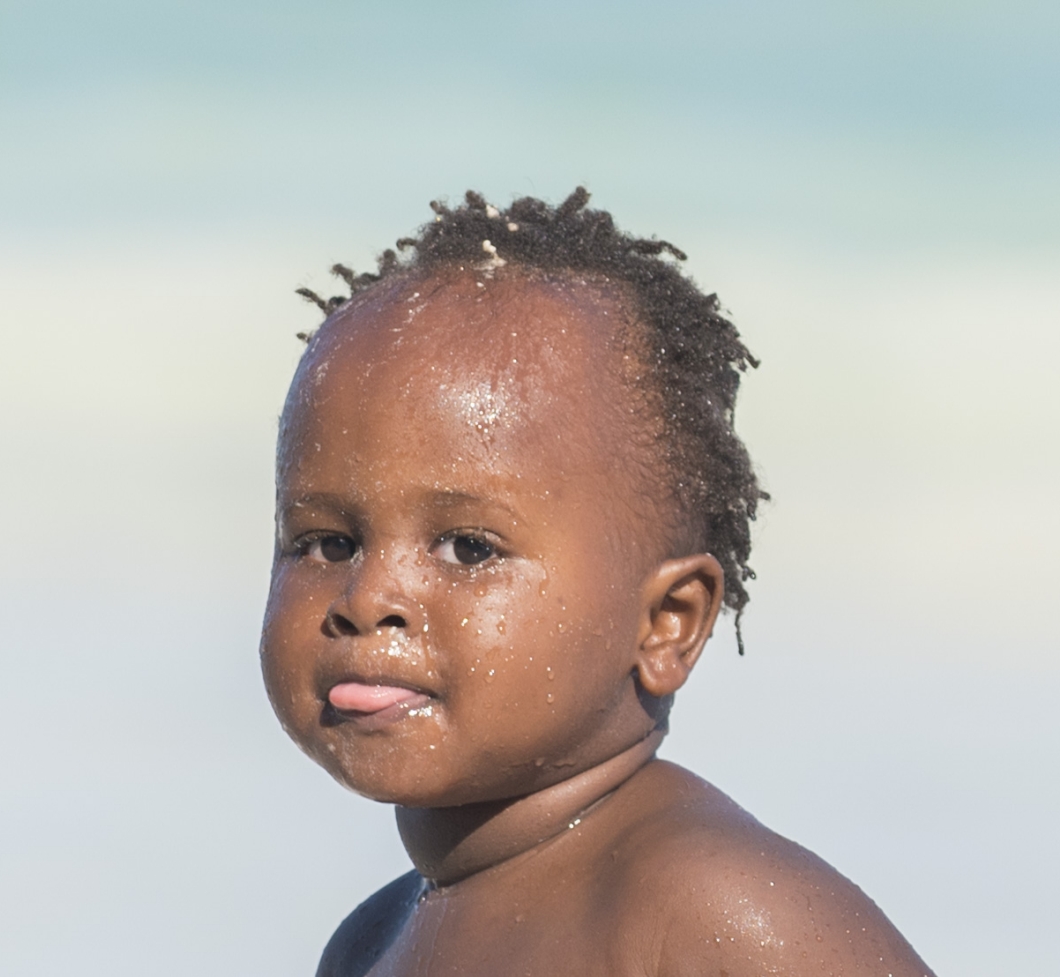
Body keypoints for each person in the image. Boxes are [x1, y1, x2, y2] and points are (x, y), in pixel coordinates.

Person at [260, 188, 935, 976]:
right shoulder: (368, 942)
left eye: (469, 548)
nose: (367, 598)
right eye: (327, 541)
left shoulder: (714, 912)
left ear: (667, 623)